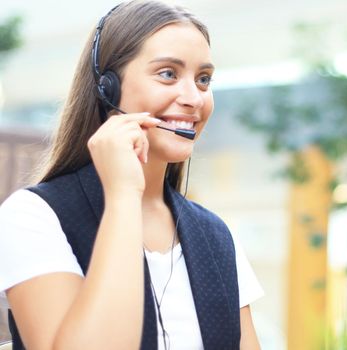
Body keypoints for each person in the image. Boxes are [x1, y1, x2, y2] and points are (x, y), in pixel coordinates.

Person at [0, 1, 264, 349]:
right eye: (168, 73)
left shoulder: (216, 236)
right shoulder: (33, 216)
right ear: (107, 88)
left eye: (203, 79)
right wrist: (123, 195)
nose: (193, 98)